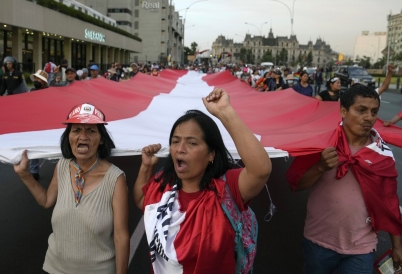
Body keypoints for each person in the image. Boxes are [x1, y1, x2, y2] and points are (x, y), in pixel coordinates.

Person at [133, 88, 272, 273]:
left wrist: (225, 113)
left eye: (192, 143)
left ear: (211, 154)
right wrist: (146, 168)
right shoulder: (163, 183)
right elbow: (143, 202)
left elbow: (260, 171)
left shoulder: (226, 189)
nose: (180, 149)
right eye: (175, 141)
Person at [286, 84, 402, 274]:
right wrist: (321, 167)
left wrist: (397, 246)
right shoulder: (323, 144)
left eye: (374, 112)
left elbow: (389, 203)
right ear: (343, 111)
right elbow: (295, 185)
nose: (369, 118)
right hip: (319, 242)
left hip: (362, 248)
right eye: (361, 110)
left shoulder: (382, 155)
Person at [13, 103, 129, 273]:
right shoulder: (62, 166)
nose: (83, 136)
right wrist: (24, 174)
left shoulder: (115, 179)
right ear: (69, 136)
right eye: (76, 130)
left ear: (101, 139)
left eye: (91, 131)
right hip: (55, 268)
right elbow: (46, 201)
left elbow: (121, 237)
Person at [28, 70, 49, 179]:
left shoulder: (48, 92)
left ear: (44, 82)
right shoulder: (31, 91)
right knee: (33, 145)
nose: (37, 80)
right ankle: (34, 170)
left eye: (39, 79)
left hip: (46, 122)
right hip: (33, 122)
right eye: (36, 78)